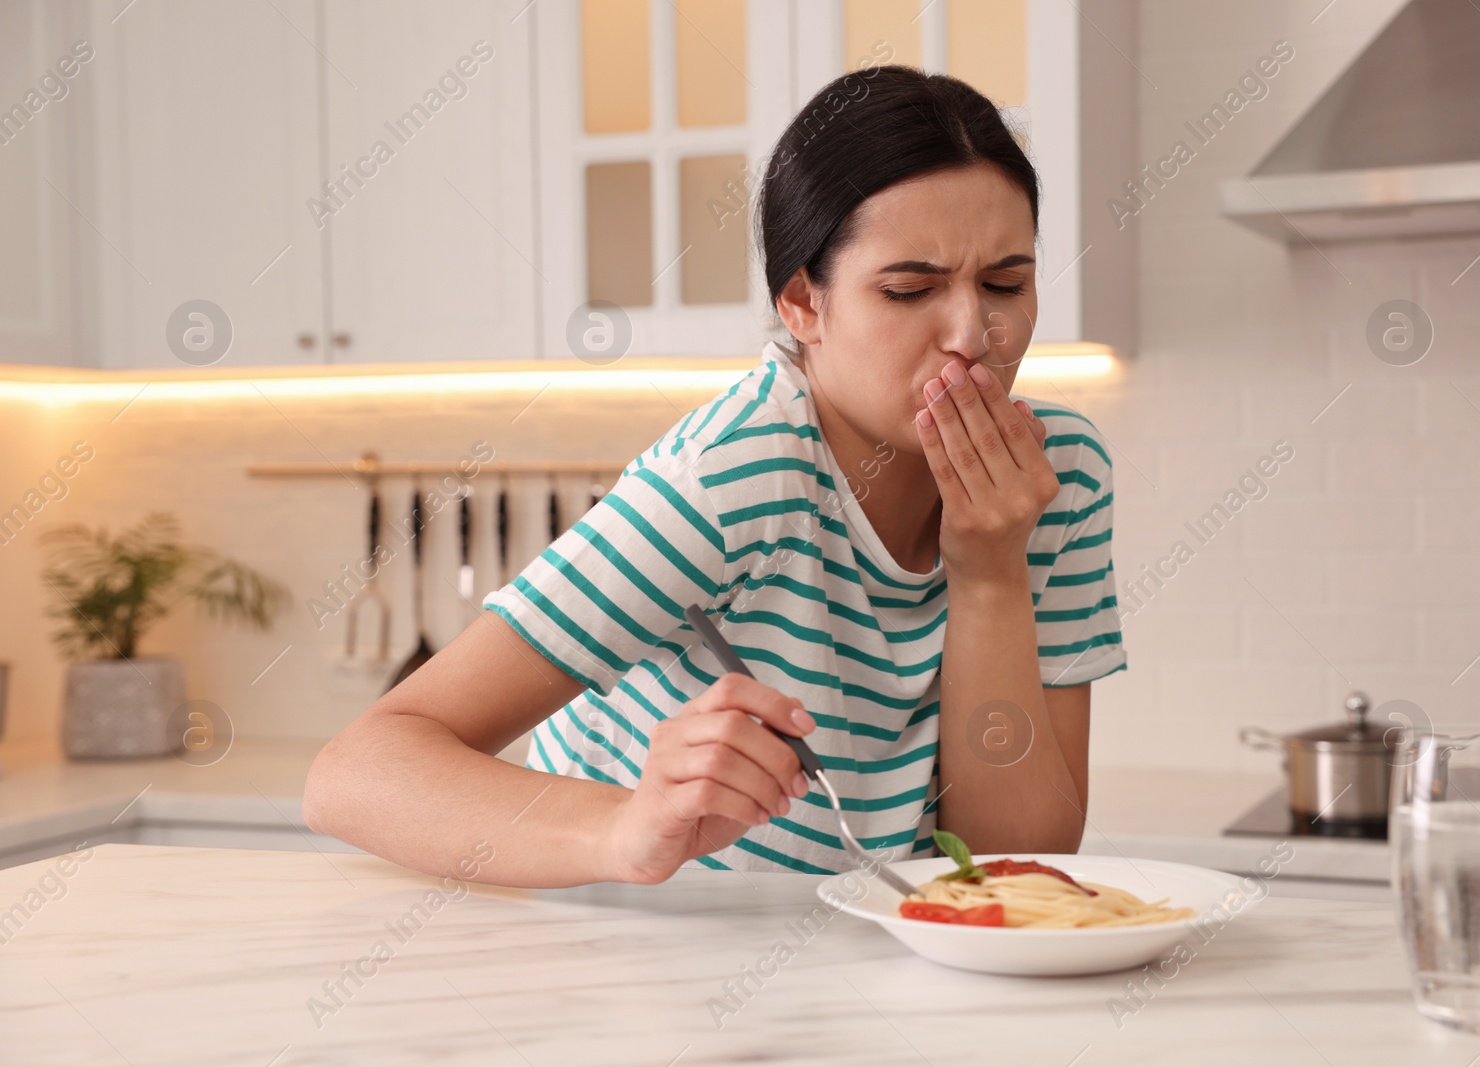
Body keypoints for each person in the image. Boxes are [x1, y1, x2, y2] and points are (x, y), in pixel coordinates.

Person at [304, 65, 1125, 888]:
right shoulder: (736, 475)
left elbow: (1016, 868)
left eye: (1005, 283)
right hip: (636, 960)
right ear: (803, 302)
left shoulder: (1060, 476)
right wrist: (624, 830)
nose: (972, 335)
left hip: (865, 968)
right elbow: (358, 772)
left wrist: (990, 574)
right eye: (910, 289)